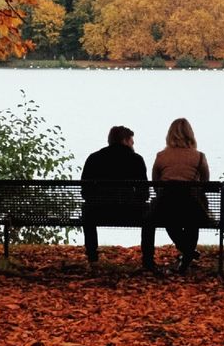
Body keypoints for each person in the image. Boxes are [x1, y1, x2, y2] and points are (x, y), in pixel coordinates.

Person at [81, 125, 155, 271]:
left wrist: (97, 201)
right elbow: (144, 192)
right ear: (125, 140)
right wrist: (135, 201)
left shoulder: (94, 158)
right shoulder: (136, 160)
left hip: (98, 212)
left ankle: (92, 257)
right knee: (149, 212)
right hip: (131, 213)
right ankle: (147, 259)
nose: (133, 144)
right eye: (131, 141)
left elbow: (85, 191)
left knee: (87, 209)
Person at [151, 117, 210, 273]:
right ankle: (188, 254)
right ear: (191, 134)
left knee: (169, 218)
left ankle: (186, 251)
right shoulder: (199, 157)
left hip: (166, 208)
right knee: (193, 219)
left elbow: (156, 184)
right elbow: (205, 183)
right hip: (191, 207)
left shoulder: (161, 156)